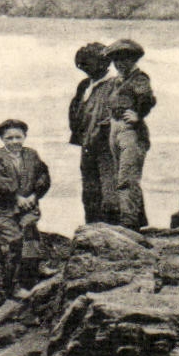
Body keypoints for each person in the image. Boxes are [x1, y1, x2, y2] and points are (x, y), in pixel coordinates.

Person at [0, 119, 52, 299]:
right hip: (5, 209)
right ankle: (14, 287)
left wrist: (34, 195)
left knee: (31, 235)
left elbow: (43, 176)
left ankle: (36, 269)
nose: (14, 142)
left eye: (18, 137)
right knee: (14, 242)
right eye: (9, 138)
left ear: (24, 137)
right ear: (2, 139)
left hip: (28, 208)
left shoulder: (32, 155)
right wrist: (16, 197)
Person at [105, 38, 156, 230]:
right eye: (116, 60)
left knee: (127, 177)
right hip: (115, 128)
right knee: (122, 174)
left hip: (131, 131)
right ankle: (136, 219)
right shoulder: (117, 81)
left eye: (124, 59)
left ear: (133, 60)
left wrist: (138, 114)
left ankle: (129, 220)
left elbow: (148, 99)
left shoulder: (139, 78)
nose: (120, 64)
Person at [67, 42, 117, 224]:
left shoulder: (115, 83)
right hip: (88, 144)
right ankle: (93, 227)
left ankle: (118, 228)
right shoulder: (85, 84)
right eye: (81, 65)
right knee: (89, 190)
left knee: (110, 189)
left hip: (108, 145)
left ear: (104, 63)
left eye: (87, 64)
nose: (83, 69)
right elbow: (75, 110)